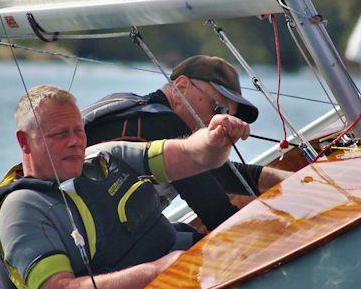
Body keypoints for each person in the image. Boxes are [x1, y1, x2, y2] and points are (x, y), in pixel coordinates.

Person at [0, 85, 251, 289]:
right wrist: (157, 271)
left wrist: (214, 138)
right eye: (59, 134)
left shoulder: (106, 157)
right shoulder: (21, 209)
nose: (75, 141)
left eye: (78, 130)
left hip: (180, 262)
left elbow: (194, 155)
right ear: (24, 141)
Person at [82, 55, 291, 230]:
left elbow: (220, 173)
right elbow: (216, 213)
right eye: (218, 109)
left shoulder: (139, 112)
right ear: (181, 86)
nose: (220, 119)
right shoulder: (163, 123)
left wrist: (293, 181)